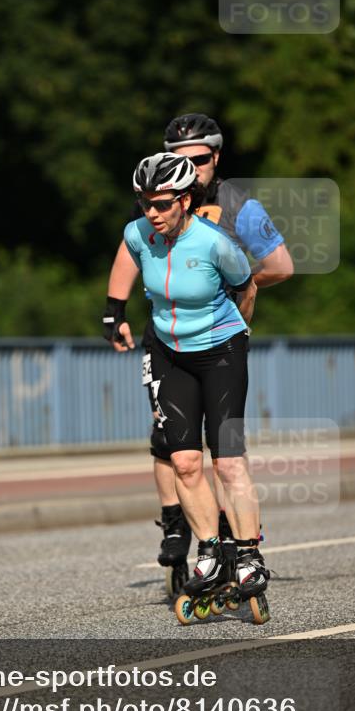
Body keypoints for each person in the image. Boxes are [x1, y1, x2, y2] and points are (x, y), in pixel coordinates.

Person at [104, 113, 293, 578]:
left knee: (227, 457)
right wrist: (114, 312)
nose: (191, 167)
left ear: (216, 157)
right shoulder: (148, 214)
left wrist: (229, 297)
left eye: (200, 159)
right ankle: (178, 526)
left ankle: (242, 542)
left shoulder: (237, 207)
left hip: (218, 335)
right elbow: (130, 252)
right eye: (179, 158)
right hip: (166, 335)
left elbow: (279, 267)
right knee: (170, 442)